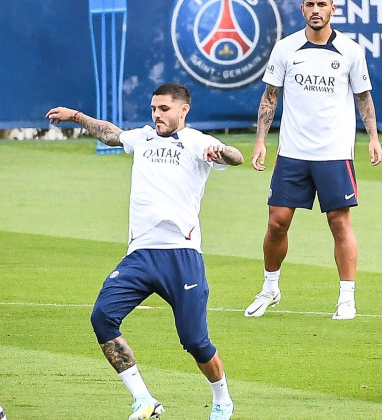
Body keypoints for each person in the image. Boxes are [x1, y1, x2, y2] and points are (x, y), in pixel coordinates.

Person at [46, 82, 244, 420]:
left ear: (183, 110)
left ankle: (222, 400)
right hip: (140, 256)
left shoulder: (198, 142)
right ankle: (144, 400)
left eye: (164, 109)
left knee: (195, 341)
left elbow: (235, 157)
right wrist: (76, 116)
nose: (157, 115)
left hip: (181, 256)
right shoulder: (143, 137)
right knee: (102, 318)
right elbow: (110, 134)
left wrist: (220, 153)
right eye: (154, 109)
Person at [245, 0, 382, 320]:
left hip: (334, 154)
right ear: (302, 9)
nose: (316, 9)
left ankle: (346, 298)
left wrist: (373, 137)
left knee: (339, 222)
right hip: (292, 153)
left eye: (322, 3)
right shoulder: (285, 48)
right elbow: (270, 97)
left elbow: (363, 96)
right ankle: (270, 288)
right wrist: (261, 142)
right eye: (310, 3)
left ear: (333, 8)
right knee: (277, 222)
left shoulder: (351, 51)